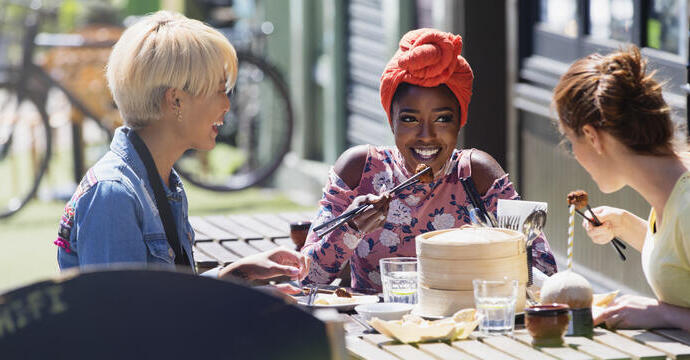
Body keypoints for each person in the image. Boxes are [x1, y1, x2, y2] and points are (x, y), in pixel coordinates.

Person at [54, 11, 307, 285]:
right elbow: (124, 321)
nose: (227, 104)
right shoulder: (113, 196)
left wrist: (237, 275)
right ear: (176, 100)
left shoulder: (161, 180)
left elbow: (168, 301)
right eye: (220, 90)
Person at [301, 28, 556, 291]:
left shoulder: (476, 175)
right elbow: (306, 278)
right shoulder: (360, 169)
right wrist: (351, 228)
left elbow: (545, 272)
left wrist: (493, 250)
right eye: (410, 119)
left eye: (443, 119)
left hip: (465, 326)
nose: (426, 136)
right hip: (371, 327)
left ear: (460, 122)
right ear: (392, 122)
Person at [554, 46, 690, 331]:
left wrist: (664, 313)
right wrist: (628, 226)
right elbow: (679, 263)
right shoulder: (673, 189)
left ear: (592, 137)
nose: (574, 155)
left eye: (570, 142)